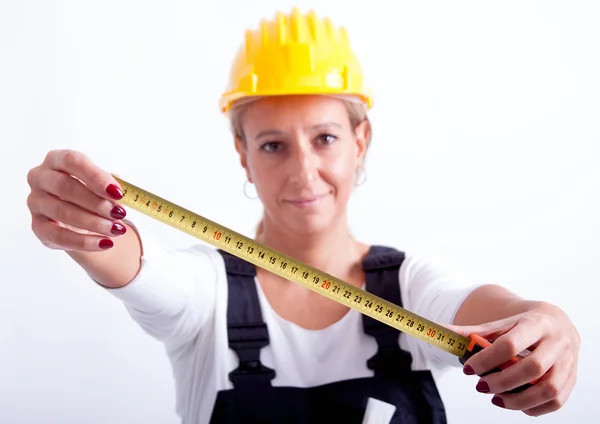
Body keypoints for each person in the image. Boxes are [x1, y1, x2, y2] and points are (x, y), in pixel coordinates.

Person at [26, 8, 579, 424]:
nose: (303, 170)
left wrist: (548, 323)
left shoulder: (411, 285)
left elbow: (496, 313)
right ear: (242, 153)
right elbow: (137, 264)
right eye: (272, 145)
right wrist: (80, 221)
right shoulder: (206, 293)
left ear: (360, 141)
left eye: (325, 137)